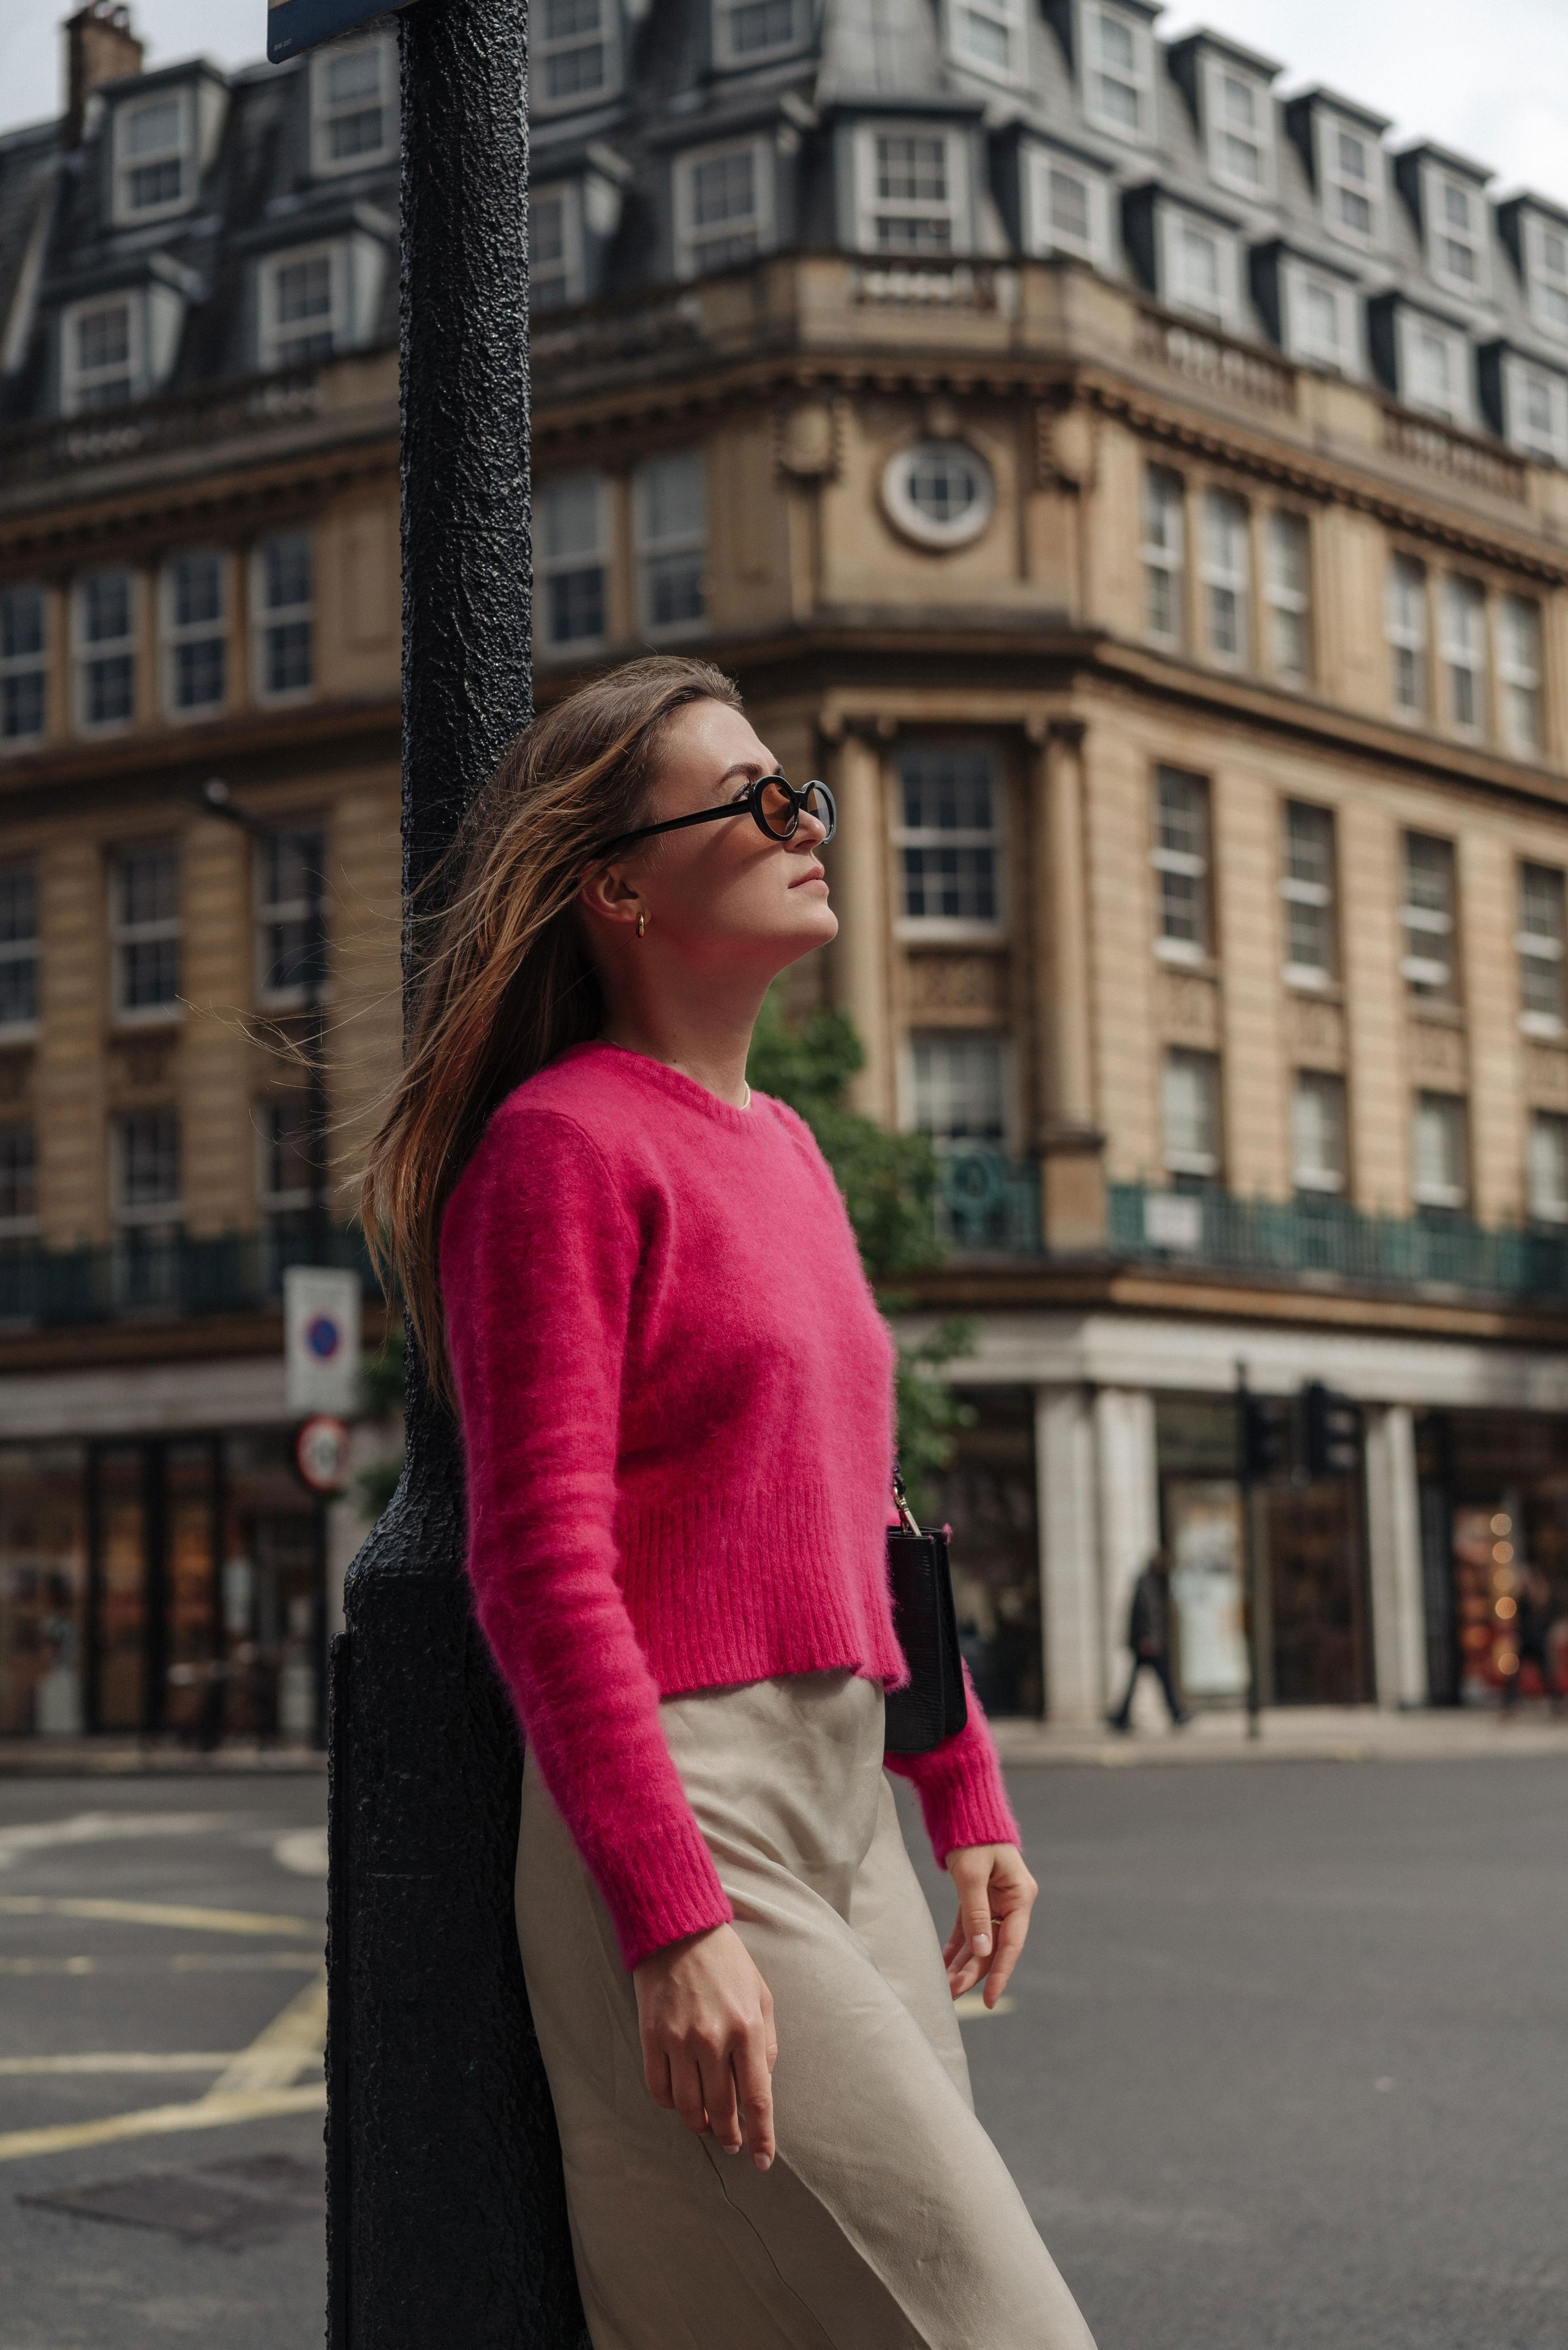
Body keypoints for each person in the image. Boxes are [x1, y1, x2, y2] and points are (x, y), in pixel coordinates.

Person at [363, 657, 1096, 2350]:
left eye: (801, 792)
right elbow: (538, 1560)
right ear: (617, 889)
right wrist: (669, 1915)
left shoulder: (788, 1146)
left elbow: (866, 1504)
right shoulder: (558, 1149)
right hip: (690, 1802)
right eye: (751, 799)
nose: (803, 820)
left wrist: (960, 1782)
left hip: (843, 1802)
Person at [1109, 1548, 1191, 1733]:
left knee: (1142, 1682)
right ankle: (1175, 1714)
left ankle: (1121, 1717)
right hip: (1149, 1644)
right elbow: (1146, 1614)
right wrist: (1148, 1638)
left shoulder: (1153, 1583)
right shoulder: (1147, 1583)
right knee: (1164, 1680)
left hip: (1149, 1642)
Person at [1502, 1563, 1561, 1710]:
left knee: (1546, 1674)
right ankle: (1509, 1703)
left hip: (1538, 1641)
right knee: (1515, 1675)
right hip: (1525, 1640)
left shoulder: (1541, 1597)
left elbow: (1547, 1619)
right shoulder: (1522, 1598)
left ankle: (1556, 1703)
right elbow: (1517, 1617)